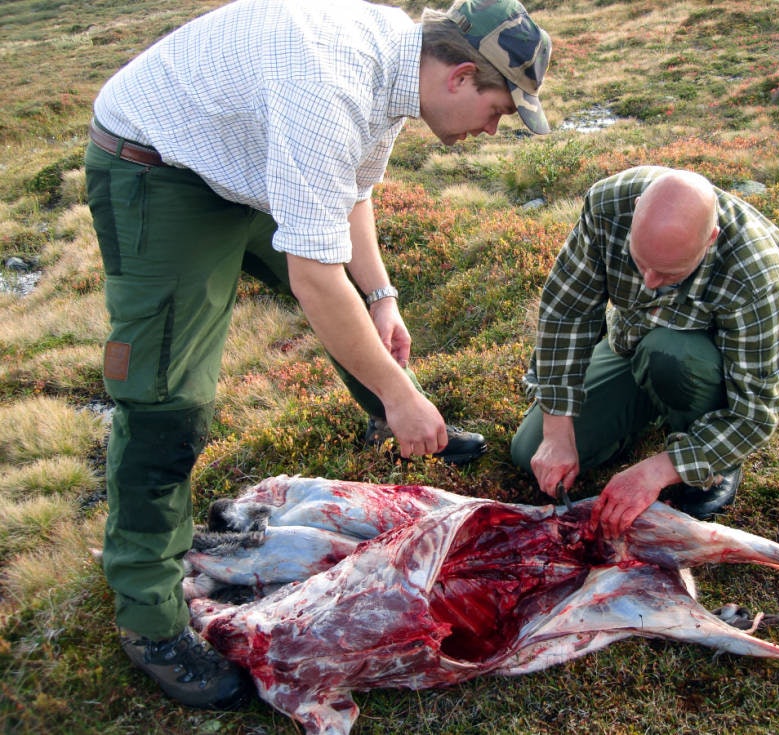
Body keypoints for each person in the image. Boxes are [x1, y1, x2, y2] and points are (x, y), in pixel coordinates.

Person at [84, 0, 551, 710]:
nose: (494, 128)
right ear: (460, 76)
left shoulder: (397, 67)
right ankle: (148, 615)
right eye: (499, 109)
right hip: (160, 167)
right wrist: (401, 388)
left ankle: (394, 421)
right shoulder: (332, 82)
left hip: (243, 154)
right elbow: (313, 275)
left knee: (358, 300)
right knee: (165, 399)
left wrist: (384, 294)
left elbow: (351, 193)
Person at [511, 166, 779, 540]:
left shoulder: (755, 274)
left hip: (701, 363)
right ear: (637, 207)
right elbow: (567, 313)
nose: (648, 283)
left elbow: (754, 415)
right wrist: (557, 431)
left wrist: (658, 471)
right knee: (528, 451)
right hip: (630, 341)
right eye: (640, 262)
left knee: (670, 355)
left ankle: (714, 462)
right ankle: (642, 412)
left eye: (668, 273)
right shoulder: (608, 205)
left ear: (710, 239)